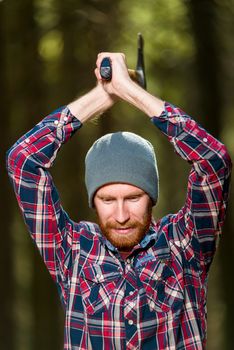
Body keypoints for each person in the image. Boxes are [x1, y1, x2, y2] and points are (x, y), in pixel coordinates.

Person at [7, 53, 232, 350]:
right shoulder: (71, 250)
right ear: (93, 200)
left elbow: (213, 160)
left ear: (151, 196)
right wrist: (103, 96)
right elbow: (22, 160)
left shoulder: (185, 244)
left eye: (133, 197)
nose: (122, 214)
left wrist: (132, 93)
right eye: (107, 199)